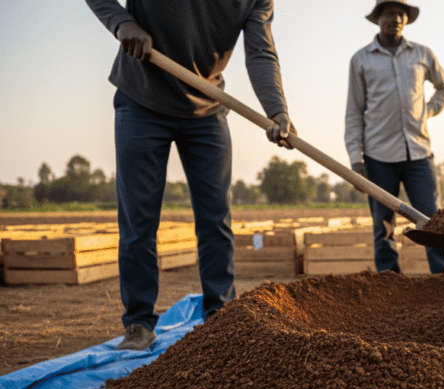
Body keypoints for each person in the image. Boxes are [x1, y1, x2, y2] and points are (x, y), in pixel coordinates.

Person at [85, 0, 296, 350]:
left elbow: (261, 52)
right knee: (139, 219)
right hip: (142, 98)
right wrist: (121, 22)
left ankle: (221, 318)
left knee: (216, 219)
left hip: (207, 108)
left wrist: (276, 109)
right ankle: (139, 323)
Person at [346, 0, 444, 275]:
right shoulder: (361, 59)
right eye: (388, 14)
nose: (394, 19)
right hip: (378, 155)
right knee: (383, 225)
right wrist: (355, 158)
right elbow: (354, 110)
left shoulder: (421, 54)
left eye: (400, 14)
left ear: (406, 20)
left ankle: (442, 278)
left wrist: (428, 110)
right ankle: (389, 282)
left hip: (418, 153)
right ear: (378, 18)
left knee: (432, 220)